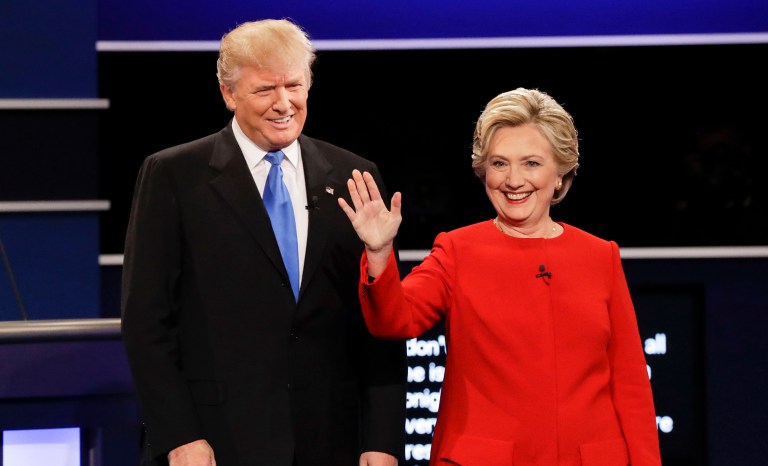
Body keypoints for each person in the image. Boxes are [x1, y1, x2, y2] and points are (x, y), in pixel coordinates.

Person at [121, 19, 406, 466]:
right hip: (214, 441)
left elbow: (380, 320)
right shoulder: (175, 175)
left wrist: (383, 439)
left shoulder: (353, 175)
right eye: (264, 90)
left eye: (294, 85)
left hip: (331, 438)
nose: (283, 103)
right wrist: (179, 435)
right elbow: (146, 321)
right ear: (228, 94)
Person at [339, 88, 662, 465]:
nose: (513, 180)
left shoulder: (599, 256)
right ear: (483, 171)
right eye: (499, 163)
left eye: (531, 163)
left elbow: (631, 384)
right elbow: (395, 319)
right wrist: (379, 253)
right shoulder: (458, 250)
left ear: (559, 173)